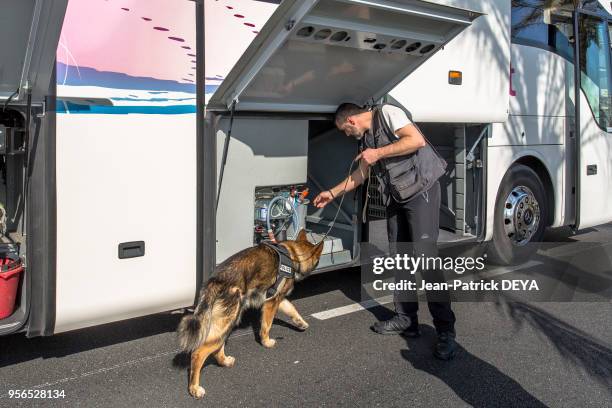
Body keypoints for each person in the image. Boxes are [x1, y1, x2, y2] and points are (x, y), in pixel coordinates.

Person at [313, 102, 457, 360]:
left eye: (345, 130)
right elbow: (360, 175)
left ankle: (445, 330)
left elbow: (416, 140)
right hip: (397, 197)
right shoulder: (366, 140)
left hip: (421, 190)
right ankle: (406, 319)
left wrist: (378, 153)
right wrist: (331, 193)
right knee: (400, 258)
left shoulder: (388, 113)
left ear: (352, 120)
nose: (347, 135)